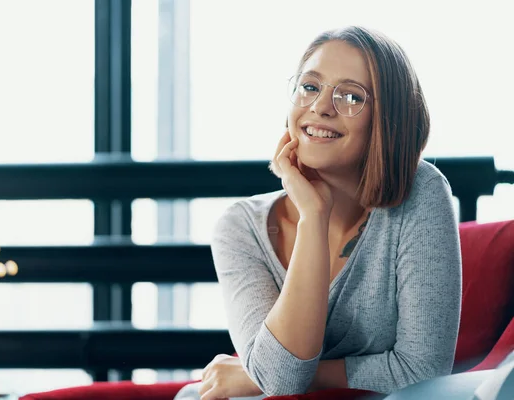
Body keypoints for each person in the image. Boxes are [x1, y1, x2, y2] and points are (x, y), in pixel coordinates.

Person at [175, 25, 461, 399]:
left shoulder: (420, 191)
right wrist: (313, 214)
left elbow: (423, 371)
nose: (321, 107)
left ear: (388, 120)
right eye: (310, 87)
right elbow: (279, 379)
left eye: (350, 96)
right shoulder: (239, 227)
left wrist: (257, 375)